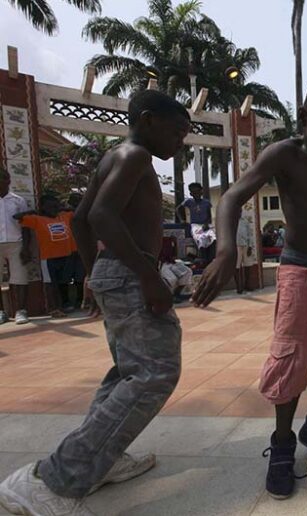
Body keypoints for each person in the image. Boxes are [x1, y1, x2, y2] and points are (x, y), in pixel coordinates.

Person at [0, 89, 190, 516]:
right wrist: (148, 277)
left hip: (112, 271)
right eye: (177, 131)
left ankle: (102, 458)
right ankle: (54, 478)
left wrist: (92, 274)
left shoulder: (113, 157)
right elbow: (101, 216)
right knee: (156, 373)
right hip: (129, 275)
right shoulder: (135, 157)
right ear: (146, 120)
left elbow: (83, 218)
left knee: (128, 372)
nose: (182, 142)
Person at [192, 78, 307, 500]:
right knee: (290, 362)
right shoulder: (286, 155)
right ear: (304, 118)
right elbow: (231, 197)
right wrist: (226, 251)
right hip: (298, 274)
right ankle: (284, 444)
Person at [16, 194, 77, 317]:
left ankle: (65, 304)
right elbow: (17, 217)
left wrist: (62, 208)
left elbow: (76, 211)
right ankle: (54, 308)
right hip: (49, 258)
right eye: (50, 207)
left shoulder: (64, 216)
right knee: (50, 284)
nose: (54, 209)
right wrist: (34, 211)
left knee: (64, 281)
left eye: (56, 206)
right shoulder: (37, 219)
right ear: (43, 208)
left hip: (66, 255)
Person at [0, 167, 31, 324]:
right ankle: (1, 313)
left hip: (16, 242)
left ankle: (21, 311)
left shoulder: (18, 201)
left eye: (2, 178)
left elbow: (26, 226)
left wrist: (26, 247)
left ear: (8, 180)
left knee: (20, 278)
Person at [178, 182, 216, 264]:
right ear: (191, 194)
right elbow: (178, 209)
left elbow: (209, 215)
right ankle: (203, 258)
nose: (196, 194)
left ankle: (211, 258)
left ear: (201, 192)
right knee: (200, 237)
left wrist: (207, 224)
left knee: (212, 237)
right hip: (195, 225)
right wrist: (182, 219)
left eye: (198, 192)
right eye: (194, 193)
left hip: (206, 224)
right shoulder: (189, 201)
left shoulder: (206, 203)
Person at [66, 192, 86, 310]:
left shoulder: (84, 213)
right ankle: (67, 302)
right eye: (76, 200)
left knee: (80, 277)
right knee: (66, 278)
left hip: (80, 250)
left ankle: (81, 300)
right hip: (67, 251)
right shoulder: (64, 214)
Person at [235, 216, 252, 294]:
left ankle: (248, 285)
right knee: (236, 267)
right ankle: (239, 286)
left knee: (247, 265)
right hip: (236, 245)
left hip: (246, 245)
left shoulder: (245, 221)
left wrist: (250, 246)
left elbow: (249, 234)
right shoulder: (231, 220)